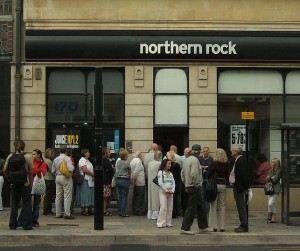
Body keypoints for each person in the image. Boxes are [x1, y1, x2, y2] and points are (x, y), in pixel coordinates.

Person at [3, 140, 33, 230]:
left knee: (14, 204)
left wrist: (9, 179)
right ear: (24, 147)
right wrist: (31, 183)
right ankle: (27, 225)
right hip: (25, 183)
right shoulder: (28, 156)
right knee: (27, 203)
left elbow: (5, 170)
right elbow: (31, 171)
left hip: (14, 184)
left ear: (15, 146)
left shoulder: (10, 156)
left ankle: (12, 224)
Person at [180, 144, 210, 235]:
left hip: (190, 185)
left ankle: (203, 226)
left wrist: (186, 184)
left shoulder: (187, 160)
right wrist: (196, 184)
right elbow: (195, 174)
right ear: (198, 152)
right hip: (195, 186)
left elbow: (182, 174)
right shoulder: (195, 160)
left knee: (201, 206)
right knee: (191, 208)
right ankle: (185, 227)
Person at [207, 148, 229, 232]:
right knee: (222, 206)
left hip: (214, 185)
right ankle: (222, 226)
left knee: (213, 206)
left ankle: (213, 226)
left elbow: (208, 174)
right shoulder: (226, 164)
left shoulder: (213, 164)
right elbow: (228, 175)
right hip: (223, 185)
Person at [230, 145, 250, 233]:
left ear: (236, 152)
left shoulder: (240, 161)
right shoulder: (237, 160)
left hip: (240, 188)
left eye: (233, 150)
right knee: (240, 206)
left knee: (241, 206)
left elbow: (244, 175)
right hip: (238, 186)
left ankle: (244, 225)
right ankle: (242, 224)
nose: (231, 151)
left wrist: (245, 187)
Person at [52, 145, 75, 219]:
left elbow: (53, 170)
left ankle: (58, 213)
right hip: (66, 177)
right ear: (66, 151)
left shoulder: (56, 159)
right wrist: (73, 166)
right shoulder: (67, 158)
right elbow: (71, 169)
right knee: (67, 196)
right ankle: (67, 213)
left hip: (58, 177)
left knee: (58, 196)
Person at [157, 159, 175, 228]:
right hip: (163, 192)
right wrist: (166, 190)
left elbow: (173, 183)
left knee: (170, 208)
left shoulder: (171, 173)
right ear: (165, 164)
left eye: (170, 164)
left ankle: (168, 222)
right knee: (163, 207)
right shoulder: (160, 172)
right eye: (169, 164)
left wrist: (172, 190)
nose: (170, 165)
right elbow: (160, 183)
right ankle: (161, 223)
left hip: (170, 193)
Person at [75, 148, 95, 216]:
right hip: (85, 179)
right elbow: (85, 170)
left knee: (90, 194)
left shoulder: (88, 161)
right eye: (88, 152)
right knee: (84, 194)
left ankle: (90, 209)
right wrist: (93, 174)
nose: (89, 153)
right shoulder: (82, 160)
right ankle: (83, 210)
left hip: (90, 180)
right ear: (84, 153)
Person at [31, 149, 47, 227]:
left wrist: (35, 170)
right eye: (32, 154)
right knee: (28, 203)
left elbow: (42, 173)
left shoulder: (43, 163)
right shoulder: (31, 162)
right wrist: (38, 170)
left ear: (39, 155)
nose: (32, 155)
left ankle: (35, 220)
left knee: (36, 203)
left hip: (37, 184)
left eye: (34, 154)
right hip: (30, 184)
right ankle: (28, 219)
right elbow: (30, 171)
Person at [115, 149, 131, 217]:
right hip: (125, 180)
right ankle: (123, 212)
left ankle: (120, 211)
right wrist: (130, 179)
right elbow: (129, 172)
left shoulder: (118, 162)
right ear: (125, 156)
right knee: (124, 196)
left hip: (118, 180)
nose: (128, 156)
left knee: (120, 196)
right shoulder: (127, 163)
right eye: (127, 155)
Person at [147, 151, 162, 220]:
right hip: (157, 182)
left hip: (150, 182)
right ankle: (155, 213)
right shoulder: (159, 164)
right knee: (156, 197)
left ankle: (150, 212)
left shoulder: (150, 163)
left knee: (150, 197)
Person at [166, 151, 181, 218]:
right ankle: (174, 212)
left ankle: (169, 212)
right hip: (176, 182)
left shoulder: (166, 165)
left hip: (168, 183)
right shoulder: (177, 165)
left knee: (168, 198)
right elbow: (179, 175)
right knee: (174, 198)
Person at [266, 158, 281, 223]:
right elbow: (267, 178)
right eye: (271, 162)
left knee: (270, 203)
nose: (271, 163)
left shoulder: (279, 171)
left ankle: (274, 215)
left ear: (276, 163)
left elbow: (275, 179)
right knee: (270, 203)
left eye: (273, 162)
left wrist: (270, 177)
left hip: (275, 189)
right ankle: (270, 215)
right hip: (269, 188)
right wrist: (270, 177)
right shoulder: (271, 170)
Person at [131, 151, 146, 215]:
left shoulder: (132, 161)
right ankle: (137, 210)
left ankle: (134, 209)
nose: (142, 157)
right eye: (141, 155)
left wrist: (133, 179)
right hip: (140, 181)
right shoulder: (139, 161)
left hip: (136, 181)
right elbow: (136, 172)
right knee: (139, 197)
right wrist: (133, 178)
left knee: (135, 196)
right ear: (139, 155)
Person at [43, 148, 55, 216]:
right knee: (48, 195)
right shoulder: (49, 161)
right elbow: (52, 171)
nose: (53, 154)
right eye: (52, 153)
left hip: (46, 178)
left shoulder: (45, 160)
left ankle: (48, 209)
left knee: (48, 195)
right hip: (49, 179)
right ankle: (46, 210)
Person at [103, 148, 114, 216]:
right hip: (106, 181)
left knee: (107, 196)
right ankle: (104, 210)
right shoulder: (105, 160)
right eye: (108, 152)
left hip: (106, 180)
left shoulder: (105, 160)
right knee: (106, 196)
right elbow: (110, 168)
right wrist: (112, 168)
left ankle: (105, 209)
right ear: (105, 153)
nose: (110, 153)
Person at [181, 147, 191, 216]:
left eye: (189, 152)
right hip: (184, 180)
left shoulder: (191, 159)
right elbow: (182, 171)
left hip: (190, 180)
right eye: (187, 152)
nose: (188, 153)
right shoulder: (181, 159)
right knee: (184, 197)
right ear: (184, 152)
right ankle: (184, 212)